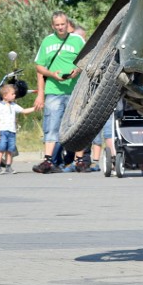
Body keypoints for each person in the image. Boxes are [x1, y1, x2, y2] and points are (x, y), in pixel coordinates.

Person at [32, 11, 86, 174]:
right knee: (52, 125)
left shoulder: (77, 40)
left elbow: (88, 58)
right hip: (54, 90)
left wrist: (78, 69)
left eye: (63, 24)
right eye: (57, 25)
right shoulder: (47, 41)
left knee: (77, 124)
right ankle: (48, 161)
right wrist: (51, 75)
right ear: (52, 26)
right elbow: (39, 66)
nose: (60, 27)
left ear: (67, 24)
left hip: (75, 91)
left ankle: (79, 161)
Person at [0, 84, 37, 174]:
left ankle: (8, 167)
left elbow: (24, 111)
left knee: (10, 150)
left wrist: (35, 108)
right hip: (2, 131)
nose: (14, 95)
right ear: (5, 95)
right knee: (0, 149)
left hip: (12, 132)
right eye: (12, 94)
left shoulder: (13, 105)